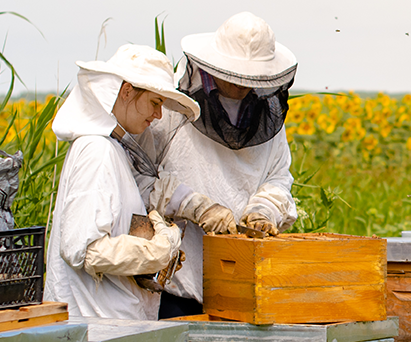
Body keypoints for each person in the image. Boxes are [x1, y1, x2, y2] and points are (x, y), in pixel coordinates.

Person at [129, 12, 302, 318]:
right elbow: (136, 179)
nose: (241, 83)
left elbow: (278, 177)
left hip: (246, 283)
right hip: (177, 282)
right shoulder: (169, 109)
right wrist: (194, 205)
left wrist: (264, 210)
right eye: (235, 73)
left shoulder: (269, 119)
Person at [44, 44, 203, 320]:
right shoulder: (96, 150)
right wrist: (155, 252)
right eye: (155, 102)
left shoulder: (112, 147)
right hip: (94, 325)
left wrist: (152, 246)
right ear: (127, 90)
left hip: (110, 322)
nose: (158, 115)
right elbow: (83, 249)